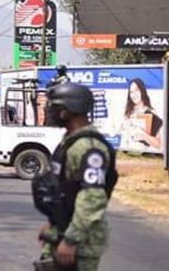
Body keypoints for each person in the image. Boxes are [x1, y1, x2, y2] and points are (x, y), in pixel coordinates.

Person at [33, 81, 117, 271]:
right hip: (62, 230)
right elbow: (65, 190)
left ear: (68, 110)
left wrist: (71, 240)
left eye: (55, 107)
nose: (50, 112)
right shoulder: (70, 142)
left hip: (81, 241)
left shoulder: (89, 148)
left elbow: (92, 198)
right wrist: (52, 223)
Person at [118, 78, 163, 151]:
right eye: (131, 92)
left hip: (140, 156)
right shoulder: (127, 112)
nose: (134, 94)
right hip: (125, 155)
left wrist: (144, 135)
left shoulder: (150, 113)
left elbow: (158, 144)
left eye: (136, 90)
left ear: (142, 91)